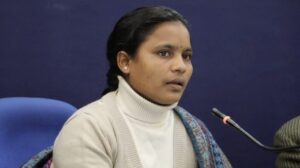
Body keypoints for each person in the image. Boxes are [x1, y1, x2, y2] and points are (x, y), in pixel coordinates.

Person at [51, 6, 231, 168]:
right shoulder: (88, 129)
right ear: (125, 62)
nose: (181, 66)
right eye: (164, 53)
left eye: (187, 56)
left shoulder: (194, 132)